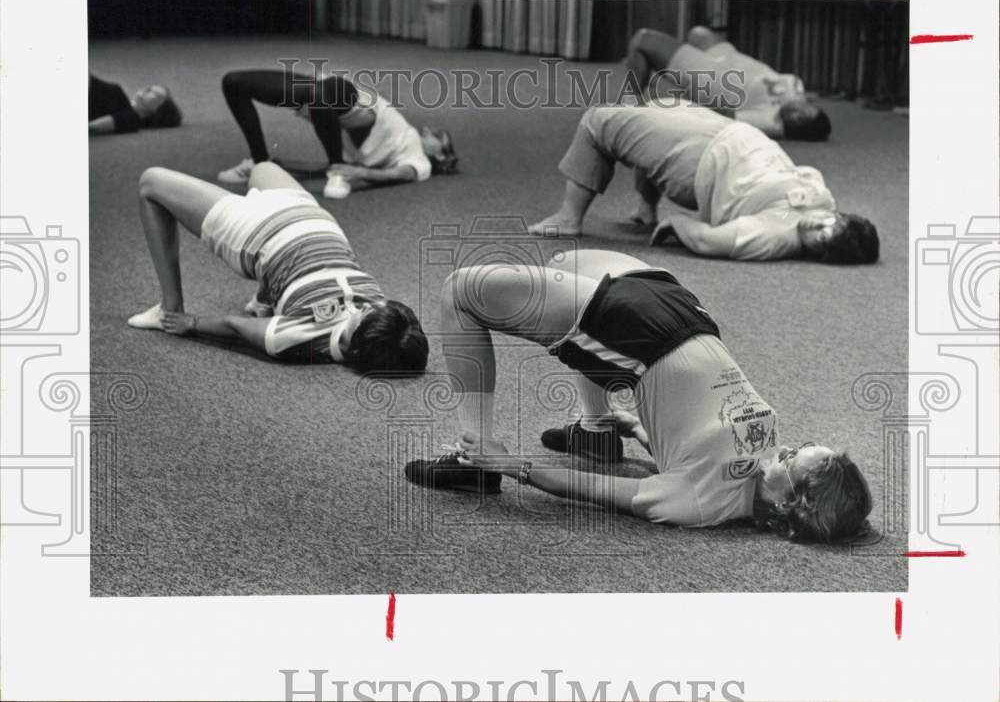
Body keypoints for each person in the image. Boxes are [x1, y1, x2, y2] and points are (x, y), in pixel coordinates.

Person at [404, 249, 873, 543]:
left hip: (633, 337)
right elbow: (688, 449)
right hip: (685, 313)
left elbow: (604, 491)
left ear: (790, 505)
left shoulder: (699, 506)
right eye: (797, 446)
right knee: (563, 264)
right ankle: (596, 428)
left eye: (791, 459)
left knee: (462, 291)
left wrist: (514, 467)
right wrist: (632, 428)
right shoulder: (759, 471)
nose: (783, 449)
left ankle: (474, 456)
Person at [127, 160, 428, 372]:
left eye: (362, 317)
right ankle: (265, 297)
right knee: (262, 168)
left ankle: (169, 307)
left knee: (150, 182)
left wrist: (190, 323)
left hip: (255, 232)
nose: (364, 307)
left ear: (355, 349)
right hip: (309, 214)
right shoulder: (384, 318)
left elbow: (237, 326)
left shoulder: (299, 339)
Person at [527, 102, 879, 263]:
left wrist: (677, 225)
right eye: (830, 223)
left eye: (820, 237)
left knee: (598, 120)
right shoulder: (823, 204)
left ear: (820, 252)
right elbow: (808, 175)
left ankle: (569, 217)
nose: (817, 224)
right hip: (731, 136)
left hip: (703, 161)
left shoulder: (772, 237)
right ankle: (644, 205)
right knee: (655, 104)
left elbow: (709, 240)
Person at [217, 68, 457, 199]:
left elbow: (401, 174)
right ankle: (259, 162)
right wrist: (348, 170)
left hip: (322, 103)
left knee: (318, 98)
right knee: (234, 82)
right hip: (348, 97)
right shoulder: (407, 133)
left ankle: (334, 170)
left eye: (437, 135)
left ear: (441, 156)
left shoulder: (420, 160)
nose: (427, 129)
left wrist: (350, 171)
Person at [625, 26, 831, 142]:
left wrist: (689, 96)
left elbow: (721, 115)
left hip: (713, 76)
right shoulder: (797, 90)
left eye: (799, 118)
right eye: (806, 109)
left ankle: (630, 106)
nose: (798, 108)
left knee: (643, 40)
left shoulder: (770, 121)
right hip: (729, 57)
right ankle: (676, 60)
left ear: (795, 127)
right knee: (698, 33)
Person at [88, 73, 182, 134]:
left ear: (157, 110)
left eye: (153, 92)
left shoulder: (131, 119)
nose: (146, 89)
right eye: (149, 87)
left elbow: (92, 127)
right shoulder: (119, 95)